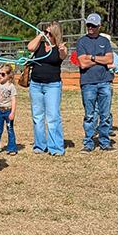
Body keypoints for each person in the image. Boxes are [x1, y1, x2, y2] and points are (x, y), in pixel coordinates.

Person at [26, 22, 68, 155]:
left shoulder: (59, 48)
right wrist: (40, 35)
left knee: (53, 116)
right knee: (37, 116)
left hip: (52, 85)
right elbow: (30, 47)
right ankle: (39, 146)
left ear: (56, 34)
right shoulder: (39, 45)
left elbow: (63, 55)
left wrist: (61, 50)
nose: (47, 35)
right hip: (35, 84)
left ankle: (55, 147)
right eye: (46, 32)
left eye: (50, 33)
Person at [75, 13, 114, 152]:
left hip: (105, 82)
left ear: (99, 26)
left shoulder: (105, 41)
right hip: (88, 83)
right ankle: (88, 143)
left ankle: (105, 142)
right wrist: (100, 59)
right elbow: (82, 64)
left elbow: (110, 60)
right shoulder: (81, 42)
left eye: (93, 25)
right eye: (88, 25)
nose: (90, 28)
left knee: (105, 114)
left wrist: (90, 57)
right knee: (89, 115)